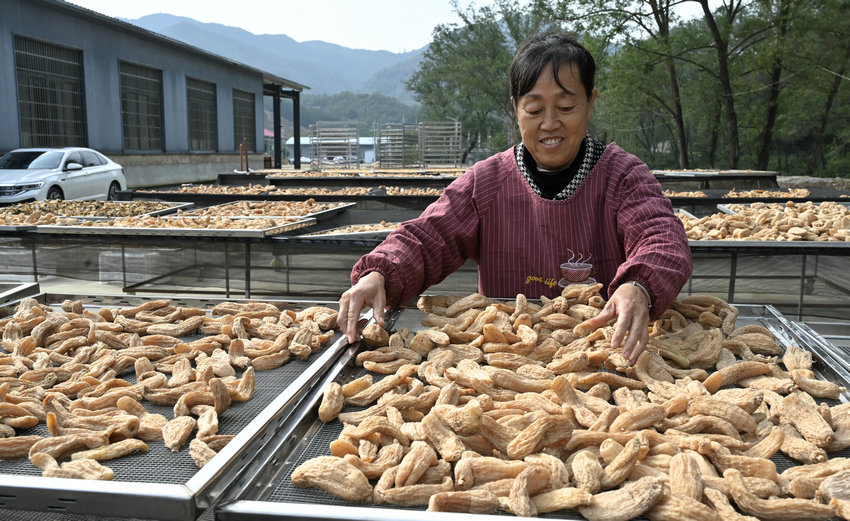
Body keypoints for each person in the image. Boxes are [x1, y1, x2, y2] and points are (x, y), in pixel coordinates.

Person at [339, 32, 692, 364]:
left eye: (566, 107)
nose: (550, 123)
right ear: (515, 108)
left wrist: (638, 286)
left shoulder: (624, 177)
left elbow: (662, 239)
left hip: (601, 352)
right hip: (503, 358)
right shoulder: (486, 183)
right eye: (535, 110)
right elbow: (428, 236)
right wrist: (378, 273)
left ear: (591, 102)